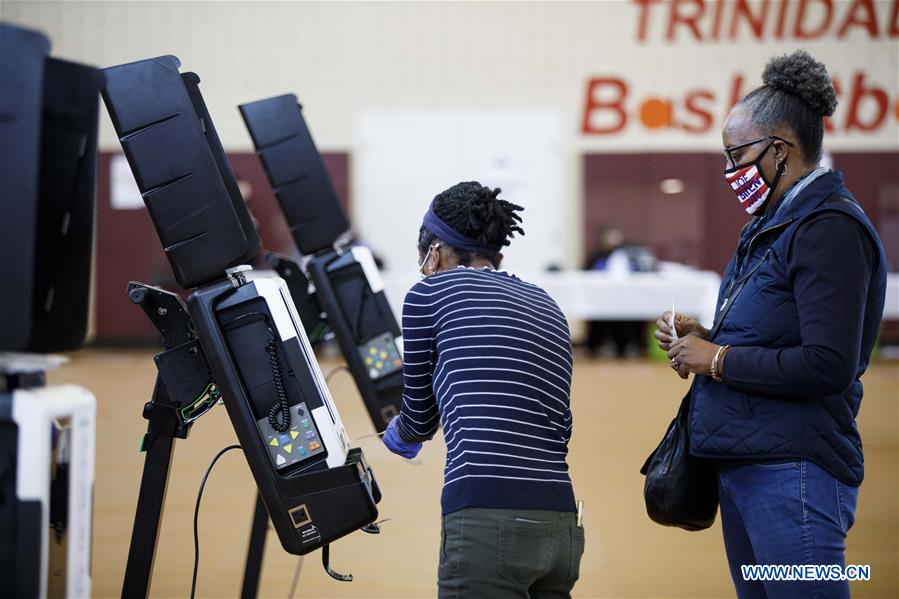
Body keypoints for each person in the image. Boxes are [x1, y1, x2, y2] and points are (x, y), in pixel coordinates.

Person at [654, 50, 886, 598]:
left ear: (780, 149)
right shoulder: (774, 224)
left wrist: (718, 359)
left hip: (794, 473)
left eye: (737, 154)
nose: (730, 170)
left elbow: (828, 363)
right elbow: (777, 330)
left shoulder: (828, 228)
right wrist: (707, 336)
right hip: (750, 465)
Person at [382, 181, 584, 598]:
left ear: (434, 252)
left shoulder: (428, 294)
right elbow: (559, 424)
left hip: (484, 518)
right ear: (497, 256)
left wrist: (398, 436)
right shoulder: (547, 305)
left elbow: (419, 419)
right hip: (561, 521)